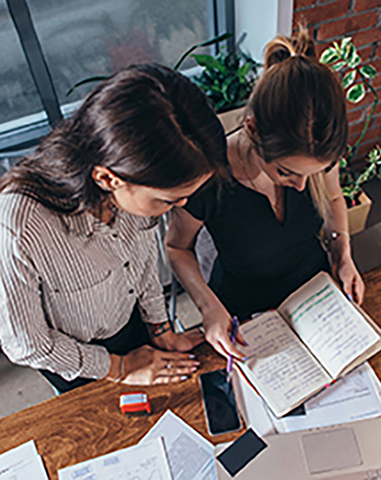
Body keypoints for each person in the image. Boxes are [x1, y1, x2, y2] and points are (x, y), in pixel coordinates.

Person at [0, 64, 228, 393]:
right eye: (170, 200)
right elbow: (27, 344)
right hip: (74, 359)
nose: (181, 206)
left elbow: (144, 263)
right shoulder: (20, 226)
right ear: (107, 178)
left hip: (132, 320)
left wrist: (160, 329)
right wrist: (120, 367)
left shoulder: (133, 187)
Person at [165, 28, 365, 361]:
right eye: (286, 173)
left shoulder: (317, 150)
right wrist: (207, 307)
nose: (302, 187)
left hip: (313, 293)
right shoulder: (208, 175)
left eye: (311, 174)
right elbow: (175, 247)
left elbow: (332, 199)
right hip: (242, 309)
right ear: (253, 129)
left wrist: (342, 252)